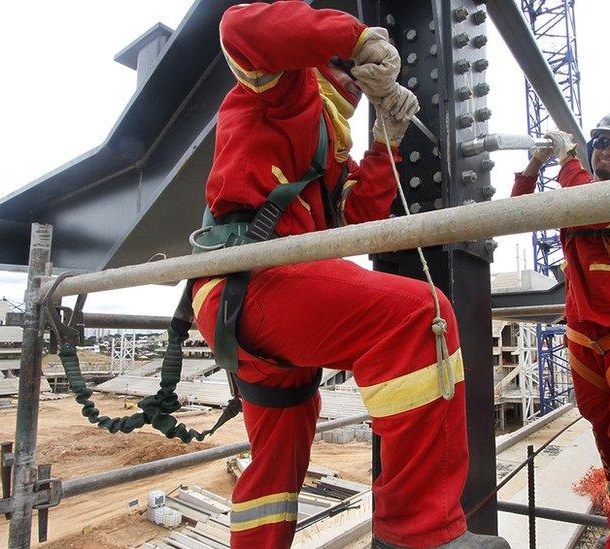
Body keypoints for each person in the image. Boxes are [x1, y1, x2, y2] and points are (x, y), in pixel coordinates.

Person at [190, 3, 508, 548]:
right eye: (344, 69)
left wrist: (386, 138)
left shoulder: (328, 144)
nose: (354, 82)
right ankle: (418, 533)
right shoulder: (283, 89)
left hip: (248, 298)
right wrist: (354, 35)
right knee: (419, 316)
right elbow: (238, 26)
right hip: (254, 280)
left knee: (275, 469)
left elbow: (356, 219)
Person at [513, 106, 610, 548]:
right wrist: (535, 163)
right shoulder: (576, 194)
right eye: (600, 142)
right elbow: (517, 211)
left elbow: (595, 210)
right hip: (584, 338)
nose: (605, 151)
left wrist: (567, 165)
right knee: (606, 434)